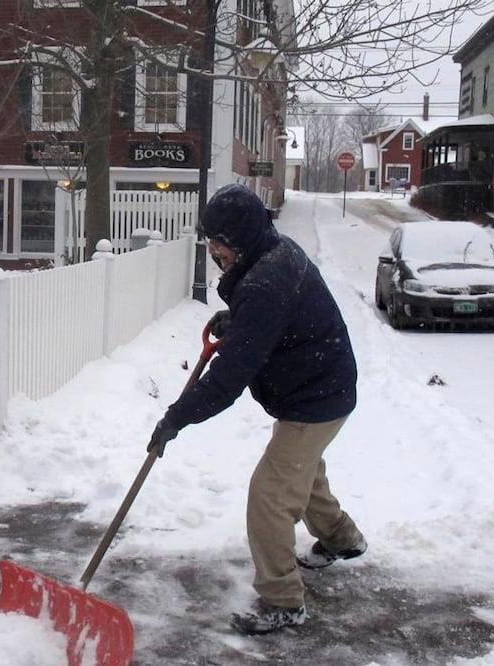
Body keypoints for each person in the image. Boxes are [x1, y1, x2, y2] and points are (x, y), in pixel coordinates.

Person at [148, 183, 365, 635]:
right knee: (303, 474)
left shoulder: (267, 281)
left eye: (220, 242)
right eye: (210, 241)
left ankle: (283, 600)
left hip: (316, 396)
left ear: (243, 238)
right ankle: (342, 539)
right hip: (320, 386)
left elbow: (228, 379)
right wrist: (240, 319)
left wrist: (176, 417)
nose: (214, 251)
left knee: (270, 495)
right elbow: (274, 315)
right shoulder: (272, 252)